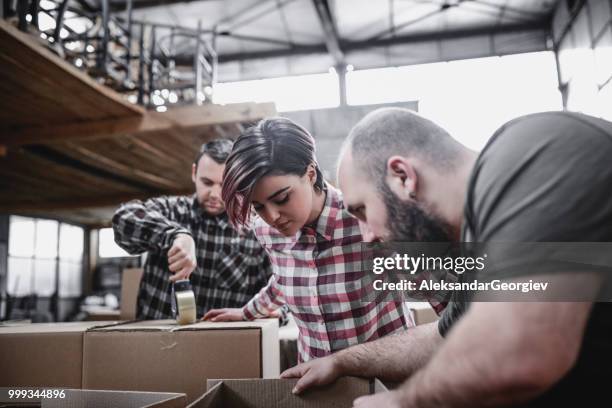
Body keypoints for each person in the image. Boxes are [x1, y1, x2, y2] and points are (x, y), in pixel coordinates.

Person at [281, 108, 612, 407]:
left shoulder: (530, 155)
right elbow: (442, 337)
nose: (367, 235)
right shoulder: (478, 242)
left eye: (363, 210)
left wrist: (402, 402)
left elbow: (522, 353)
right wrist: (343, 361)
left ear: (402, 176)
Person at [202, 117, 424, 362]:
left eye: (282, 198)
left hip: (386, 378)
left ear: (309, 173)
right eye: (258, 206)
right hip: (316, 383)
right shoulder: (265, 231)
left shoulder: (365, 217)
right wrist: (248, 312)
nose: (272, 217)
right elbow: (284, 280)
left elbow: (443, 292)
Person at [112, 139, 272, 319]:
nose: (215, 194)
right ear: (194, 173)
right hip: (156, 342)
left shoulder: (256, 232)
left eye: (225, 186)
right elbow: (123, 218)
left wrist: (255, 312)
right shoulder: (171, 211)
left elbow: (280, 297)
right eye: (207, 182)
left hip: (223, 344)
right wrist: (175, 235)